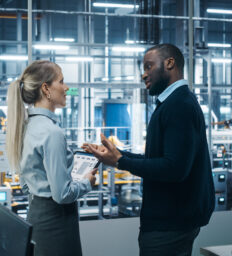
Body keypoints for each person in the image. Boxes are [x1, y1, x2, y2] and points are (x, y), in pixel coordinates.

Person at [82, 44, 215, 256]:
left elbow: (174, 168)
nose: (144, 75)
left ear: (170, 63)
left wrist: (121, 162)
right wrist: (117, 155)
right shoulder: (174, 102)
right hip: (170, 221)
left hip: (169, 225)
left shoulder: (179, 105)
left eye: (148, 66)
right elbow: (159, 159)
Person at [6, 60, 97, 256]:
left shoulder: (26, 127)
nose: (66, 88)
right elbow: (62, 194)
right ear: (46, 88)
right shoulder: (52, 132)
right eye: (61, 81)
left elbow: (25, 184)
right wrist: (87, 182)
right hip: (57, 223)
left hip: (36, 215)